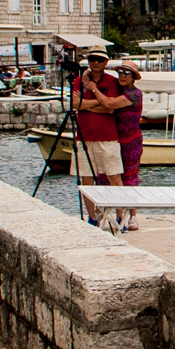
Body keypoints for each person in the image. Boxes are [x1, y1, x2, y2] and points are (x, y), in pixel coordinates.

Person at [71, 49, 127, 222]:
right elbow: (74, 104)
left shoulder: (112, 81)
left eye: (100, 59)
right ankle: (92, 216)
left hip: (107, 136)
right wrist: (100, 101)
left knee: (114, 176)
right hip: (84, 136)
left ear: (106, 62)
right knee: (86, 178)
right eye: (93, 59)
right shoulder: (79, 81)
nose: (96, 62)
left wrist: (88, 102)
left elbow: (110, 107)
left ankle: (120, 216)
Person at [112, 60, 146, 231]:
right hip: (115, 139)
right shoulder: (117, 91)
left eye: (127, 73)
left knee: (130, 178)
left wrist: (94, 91)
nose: (123, 76)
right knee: (112, 176)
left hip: (131, 140)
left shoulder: (134, 94)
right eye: (120, 73)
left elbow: (109, 105)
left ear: (133, 77)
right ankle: (117, 213)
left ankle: (133, 216)